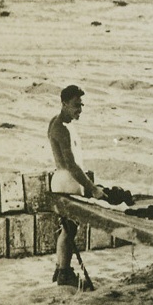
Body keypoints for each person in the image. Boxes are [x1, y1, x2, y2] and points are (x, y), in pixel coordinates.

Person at [48, 84, 104, 287]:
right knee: (69, 229)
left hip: (64, 180)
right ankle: (64, 272)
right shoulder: (60, 129)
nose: (79, 110)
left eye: (81, 105)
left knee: (68, 229)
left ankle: (61, 268)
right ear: (63, 104)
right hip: (66, 181)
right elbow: (71, 165)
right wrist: (92, 188)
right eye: (75, 105)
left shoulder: (58, 122)